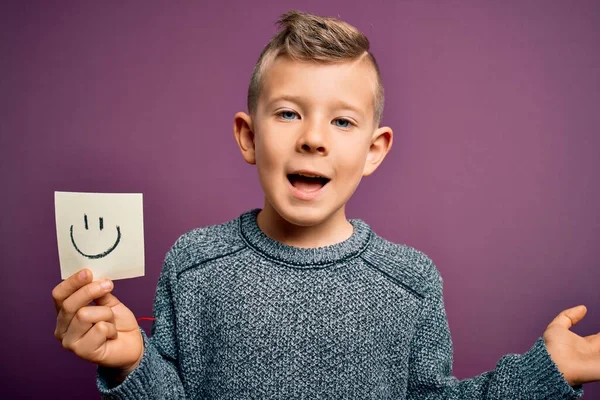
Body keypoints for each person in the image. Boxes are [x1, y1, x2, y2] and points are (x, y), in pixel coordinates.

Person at [52, 10, 600, 399]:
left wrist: (548, 373)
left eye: (342, 121)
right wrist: (132, 364)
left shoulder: (410, 281)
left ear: (373, 150)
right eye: (289, 113)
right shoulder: (194, 264)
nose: (314, 138)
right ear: (248, 136)